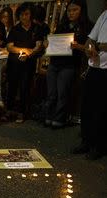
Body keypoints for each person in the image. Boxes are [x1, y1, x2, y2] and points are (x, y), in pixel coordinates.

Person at [44, 0, 92, 128]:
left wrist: (78, 46)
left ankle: (59, 119)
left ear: (81, 11)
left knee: (62, 92)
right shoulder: (62, 25)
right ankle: (48, 116)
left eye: (74, 10)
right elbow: (54, 41)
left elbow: (90, 48)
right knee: (51, 93)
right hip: (55, 62)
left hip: (69, 64)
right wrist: (48, 44)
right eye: (69, 10)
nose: (71, 13)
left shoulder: (87, 27)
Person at [72, 0, 107, 160]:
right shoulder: (104, 15)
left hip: (106, 70)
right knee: (87, 105)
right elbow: (91, 39)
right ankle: (86, 141)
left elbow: (104, 45)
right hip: (94, 67)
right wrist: (89, 49)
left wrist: (98, 47)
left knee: (101, 109)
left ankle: (98, 145)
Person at [6, 2, 44, 123]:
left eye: (26, 14)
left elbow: (38, 46)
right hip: (14, 63)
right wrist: (23, 50)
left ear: (31, 14)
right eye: (21, 14)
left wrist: (29, 54)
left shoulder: (37, 28)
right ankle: (9, 110)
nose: (24, 17)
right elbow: (9, 47)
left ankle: (22, 112)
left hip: (28, 64)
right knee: (11, 86)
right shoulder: (15, 29)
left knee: (25, 87)